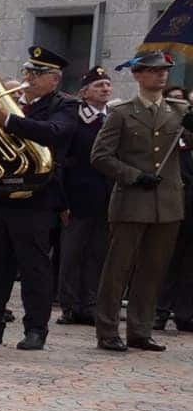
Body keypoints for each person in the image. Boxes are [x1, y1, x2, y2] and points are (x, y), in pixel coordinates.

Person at [0, 44, 73, 349]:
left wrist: (8, 120)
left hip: (36, 197)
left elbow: (55, 133)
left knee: (34, 266)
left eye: (38, 73)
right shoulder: (6, 102)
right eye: (28, 71)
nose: (30, 78)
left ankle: (35, 329)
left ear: (55, 79)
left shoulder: (64, 106)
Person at [91, 50, 188, 352]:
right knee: (118, 270)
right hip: (132, 201)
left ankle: (140, 329)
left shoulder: (179, 111)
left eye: (164, 71)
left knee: (153, 269)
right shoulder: (121, 113)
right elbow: (100, 156)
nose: (161, 75)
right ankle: (108, 330)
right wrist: (133, 176)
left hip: (167, 204)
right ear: (137, 75)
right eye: (154, 70)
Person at [48, 65, 116, 329]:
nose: (105, 89)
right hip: (77, 197)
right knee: (72, 254)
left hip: (106, 197)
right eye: (99, 85)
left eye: (107, 84)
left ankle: (90, 304)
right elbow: (61, 161)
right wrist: (62, 201)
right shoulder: (75, 118)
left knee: (98, 253)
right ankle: (70, 305)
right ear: (84, 92)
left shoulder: (113, 118)